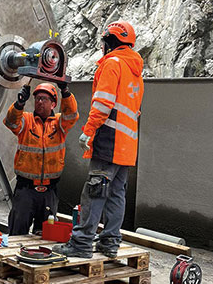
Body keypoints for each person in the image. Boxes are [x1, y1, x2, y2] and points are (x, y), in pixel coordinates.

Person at [53, 20, 144, 258]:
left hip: (109, 141)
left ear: (110, 41)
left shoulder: (112, 64)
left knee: (95, 191)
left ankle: (81, 242)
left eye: (105, 41)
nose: (102, 46)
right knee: (116, 193)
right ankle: (110, 243)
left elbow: (103, 103)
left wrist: (89, 130)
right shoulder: (135, 71)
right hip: (126, 147)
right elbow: (135, 111)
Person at [3, 81, 79, 235]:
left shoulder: (59, 123)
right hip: (26, 189)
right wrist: (19, 104)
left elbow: (71, 114)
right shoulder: (26, 120)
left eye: (44, 99)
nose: (39, 102)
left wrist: (65, 91)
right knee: (17, 232)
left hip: (49, 191)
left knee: (46, 234)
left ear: (53, 104)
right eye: (37, 98)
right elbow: (11, 122)